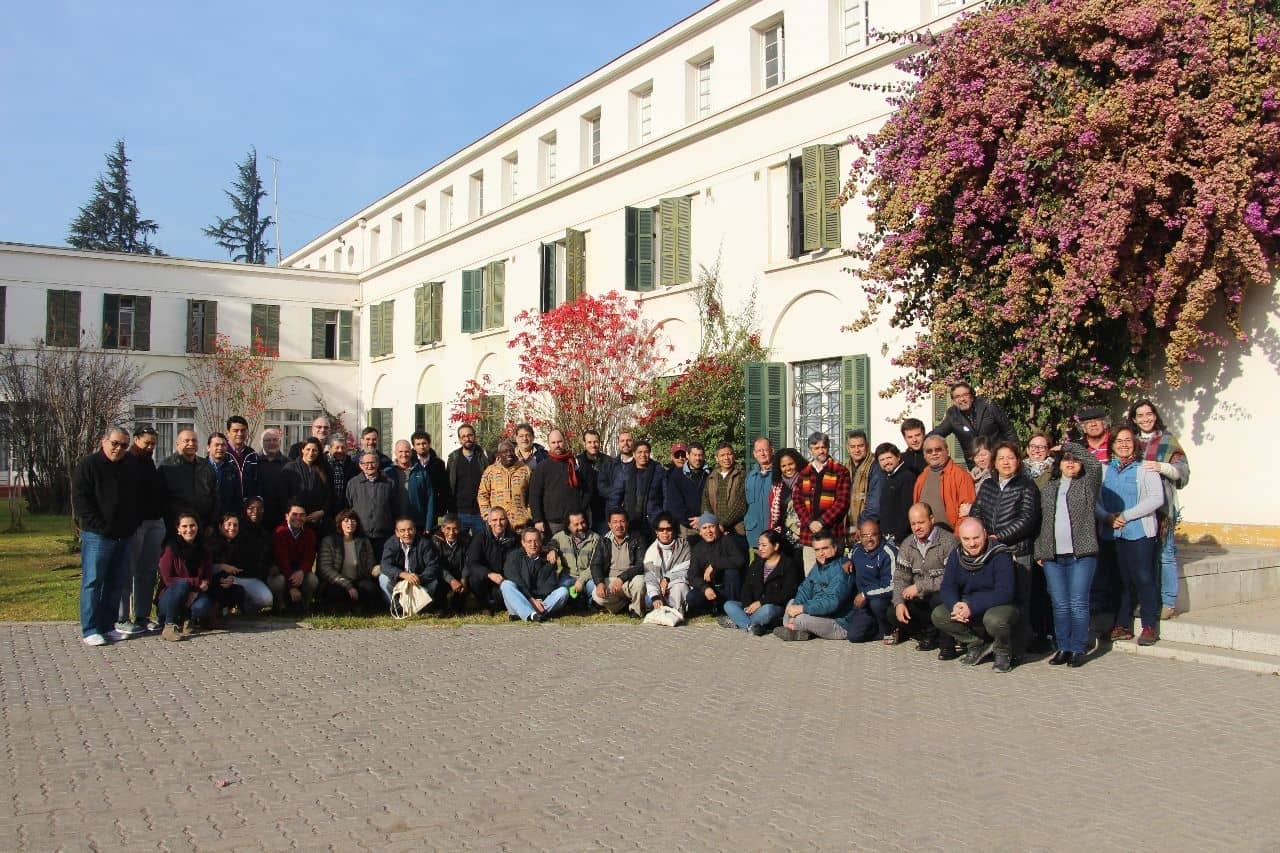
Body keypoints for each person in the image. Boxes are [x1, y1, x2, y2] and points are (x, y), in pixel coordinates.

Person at [1034, 442, 1103, 667]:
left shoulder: (1087, 484)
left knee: (1078, 603)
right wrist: (1040, 550)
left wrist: (1067, 445)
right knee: (1060, 604)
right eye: (1066, 459)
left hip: (1081, 555)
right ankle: (1063, 646)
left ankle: (1078, 648)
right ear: (1059, 464)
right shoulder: (1050, 487)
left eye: (1074, 459)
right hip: (1053, 556)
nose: (1070, 462)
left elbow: (1094, 463)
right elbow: (1042, 521)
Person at [971, 439, 1044, 651]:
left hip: (1017, 551)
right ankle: (995, 644)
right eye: (1001, 458)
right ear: (994, 462)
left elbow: (1028, 519)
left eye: (1010, 458)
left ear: (1018, 461)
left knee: (1019, 601)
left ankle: (1018, 647)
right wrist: (981, 535)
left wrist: (998, 537)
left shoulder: (1027, 486)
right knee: (993, 600)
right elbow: (977, 512)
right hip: (990, 553)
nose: (1006, 462)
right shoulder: (987, 485)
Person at [73, 427, 141, 646]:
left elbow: (137, 498)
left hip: (124, 535)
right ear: (104, 441)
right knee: (93, 582)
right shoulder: (88, 466)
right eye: (115, 443)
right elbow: (82, 501)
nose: (118, 449)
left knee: (116, 582)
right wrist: (100, 527)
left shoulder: (130, 466)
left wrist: (132, 524)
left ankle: (108, 626)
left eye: (123, 445)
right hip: (97, 536)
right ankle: (90, 629)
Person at [1098, 426, 1165, 646]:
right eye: (1119, 441)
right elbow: (1094, 501)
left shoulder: (1145, 469)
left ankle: (1148, 625)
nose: (1123, 444)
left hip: (1139, 533)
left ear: (1135, 444)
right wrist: (1107, 517)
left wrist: (1126, 516)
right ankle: (1122, 624)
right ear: (1112, 445)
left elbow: (1156, 499)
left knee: (1143, 578)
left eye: (1128, 440)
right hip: (1112, 533)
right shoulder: (1103, 470)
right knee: (1120, 581)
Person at [931, 517, 1020, 672]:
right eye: (966, 539)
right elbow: (947, 586)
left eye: (976, 538)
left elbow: (1005, 592)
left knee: (994, 620)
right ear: (960, 538)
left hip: (1000, 605)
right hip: (967, 604)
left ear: (985, 534)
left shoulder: (1000, 554)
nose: (972, 544)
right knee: (939, 614)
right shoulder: (956, 555)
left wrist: (971, 606)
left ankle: (1003, 652)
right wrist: (956, 605)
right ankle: (976, 644)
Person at [1129, 399, 1190, 620]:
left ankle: (1169, 602)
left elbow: (1183, 471)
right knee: (1143, 558)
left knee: (1166, 555)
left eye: (1149, 414)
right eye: (1140, 415)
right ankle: (1147, 601)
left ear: (1155, 416)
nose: (1145, 419)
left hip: (1162, 509)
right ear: (1134, 419)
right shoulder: (1130, 441)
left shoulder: (1167, 440)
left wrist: (1162, 467)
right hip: (1137, 509)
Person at [891, 503, 960, 655]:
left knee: (939, 599)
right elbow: (900, 578)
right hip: (920, 597)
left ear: (931, 519)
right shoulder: (907, 544)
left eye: (921, 522)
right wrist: (899, 603)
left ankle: (948, 642)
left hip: (943, 593)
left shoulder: (948, 541)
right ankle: (927, 635)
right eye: (913, 524)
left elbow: (952, 577)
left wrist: (920, 586)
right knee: (893, 612)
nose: (917, 527)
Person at [117, 426, 165, 637]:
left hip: (155, 521)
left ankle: (142, 615)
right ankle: (121, 617)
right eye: (147, 443)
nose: (151, 447)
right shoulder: (126, 462)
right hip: (135, 524)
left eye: (153, 443)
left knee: (147, 572)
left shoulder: (149, 462)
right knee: (127, 571)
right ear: (136, 439)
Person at [772, 532, 856, 641]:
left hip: (838, 622)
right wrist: (795, 610)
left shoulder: (842, 570)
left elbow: (832, 602)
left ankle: (794, 628)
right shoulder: (818, 567)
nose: (821, 553)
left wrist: (803, 609)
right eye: (817, 550)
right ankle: (799, 631)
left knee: (800, 618)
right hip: (819, 615)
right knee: (791, 603)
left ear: (835, 548)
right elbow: (804, 590)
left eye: (825, 548)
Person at [721, 529, 802, 635]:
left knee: (767, 610)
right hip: (753, 608)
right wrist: (747, 605)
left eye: (764, 545)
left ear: (776, 546)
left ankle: (740, 622)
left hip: (773, 607)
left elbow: (786, 594)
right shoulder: (756, 563)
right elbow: (746, 587)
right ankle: (752, 627)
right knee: (729, 605)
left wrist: (761, 603)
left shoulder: (788, 565)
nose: (760, 548)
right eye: (759, 545)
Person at [792, 432, 851, 572]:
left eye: (824, 447)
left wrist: (822, 522)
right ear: (810, 450)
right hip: (809, 535)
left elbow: (842, 502)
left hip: (832, 533)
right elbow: (797, 501)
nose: (821, 451)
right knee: (811, 575)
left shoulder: (840, 471)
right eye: (816, 447)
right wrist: (810, 522)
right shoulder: (804, 473)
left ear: (828, 447)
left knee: (833, 575)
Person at [155, 512, 215, 642]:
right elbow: (168, 579)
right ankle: (169, 625)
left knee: (204, 604)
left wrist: (199, 588)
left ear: (198, 527)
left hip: (194, 594)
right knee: (181, 584)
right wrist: (195, 583)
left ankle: (187, 621)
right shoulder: (170, 549)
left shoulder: (204, 550)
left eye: (192, 525)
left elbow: (208, 576)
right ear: (178, 529)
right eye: (184, 526)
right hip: (170, 597)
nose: (189, 530)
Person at [931, 382, 1019, 468]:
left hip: (998, 459)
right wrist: (919, 441)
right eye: (957, 397)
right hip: (976, 465)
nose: (962, 399)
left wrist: (1015, 454)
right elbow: (938, 433)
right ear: (953, 401)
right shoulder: (952, 415)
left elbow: (1008, 430)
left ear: (972, 397)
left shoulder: (988, 406)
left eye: (965, 395)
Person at [315, 509, 381, 612]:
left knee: (370, 589)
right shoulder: (329, 541)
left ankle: (360, 608)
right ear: (339, 523)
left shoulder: (364, 541)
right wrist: (347, 586)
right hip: (337, 582)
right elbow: (325, 569)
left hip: (358, 580)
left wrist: (379, 569)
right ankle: (339, 609)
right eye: (346, 520)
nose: (350, 523)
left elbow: (370, 566)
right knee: (335, 592)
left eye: (353, 521)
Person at [844, 520, 898, 644]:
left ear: (880, 535)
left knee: (877, 604)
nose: (869, 539)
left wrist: (865, 594)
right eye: (865, 536)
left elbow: (892, 586)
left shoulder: (888, 553)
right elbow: (849, 555)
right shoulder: (857, 548)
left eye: (873, 535)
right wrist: (847, 561)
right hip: (864, 603)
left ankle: (891, 629)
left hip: (884, 600)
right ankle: (877, 628)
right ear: (860, 536)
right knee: (854, 637)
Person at [210, 512, 274, 615]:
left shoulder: (245, 540)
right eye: (228, 524)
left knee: (266, 599)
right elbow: (206, 568)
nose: (232, 528)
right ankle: (218, 610)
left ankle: (243, 608)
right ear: (220, 526)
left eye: (235, 525)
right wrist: (222, 567)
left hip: (245, 577)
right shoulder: (211, 544)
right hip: (219, 579)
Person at [500, 528, 570, 622]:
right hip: (521, 598)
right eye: (529, 541)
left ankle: (528, 614)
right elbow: (515, 580)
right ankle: (531, 614)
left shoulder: (548, 558)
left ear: (541, 542)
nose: (533, 545)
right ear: (523, 543)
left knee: (563, 592)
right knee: (506, 585)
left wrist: (538, 599)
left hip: (541, 602)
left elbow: (550, 584)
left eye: (536, 541)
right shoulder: (514, 557)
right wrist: (531, 600)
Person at [589, 509, 647, 616]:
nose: (619, 525)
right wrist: (599, 583)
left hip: (630, 579)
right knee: (596, 595)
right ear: (609, 525)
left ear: (627, 523)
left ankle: (636, 611)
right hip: (611, 580)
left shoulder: (637, 538)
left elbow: (641, 565)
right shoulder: (604, 540)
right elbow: (595, 564)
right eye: (615, 522)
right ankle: (622, 607)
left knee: (640, 581)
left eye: (622, 521)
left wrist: (622, 578)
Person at [378, 517, 446, 610]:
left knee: (433, 582)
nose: (407, 534)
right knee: (383, 579)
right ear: (397, 532)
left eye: (410, 529)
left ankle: (419, 607)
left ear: (415, 530)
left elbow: (433, 566)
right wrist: (402, 574)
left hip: (419, 580)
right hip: (399, 579)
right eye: (402, 530)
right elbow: (385, 565)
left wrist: (419, 578)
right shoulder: (391, 543)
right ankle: (397, 608)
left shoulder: (424, 543)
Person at [912, 434, 975, 533]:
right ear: (924, 455)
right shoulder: (921, 478)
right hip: (925, 538)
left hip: (950, 536)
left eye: (938, 449)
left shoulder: (961, 476)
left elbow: (966, 513)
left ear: (947, 451)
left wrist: (956, 538)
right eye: (929, 451)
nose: (934, 453)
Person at [687, 512, 747, 615]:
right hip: (710, 588)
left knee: (732, 572)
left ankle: (734, 608)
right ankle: (714, 609)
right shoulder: (697, 548)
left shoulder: (727, 541)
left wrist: (714, 564)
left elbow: (740, 560)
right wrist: (705, 588)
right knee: (692, 597)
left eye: (711, 527)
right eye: (704, 528)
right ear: (700, 532)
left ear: (717, 528)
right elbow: (692, 575)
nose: (708, 531)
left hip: (728, 587)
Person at [529, 429, 587, 536]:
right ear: (549, 444)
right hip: (552, 523)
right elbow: (534, 495)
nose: (557, 445)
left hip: (574, 521)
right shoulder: (542, 467)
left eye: (559, 442)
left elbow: (583, 489)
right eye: (553, 443)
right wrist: (538, 520)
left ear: (564, 441)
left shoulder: (573, 463)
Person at [159, 427, 216, 534]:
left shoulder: (206, 466)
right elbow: (161, 499)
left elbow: (214, 496)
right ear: (177, 444)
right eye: (186, 441)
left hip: (202, 526)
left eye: (194, 440)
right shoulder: (166, 467)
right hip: (177, 527)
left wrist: (211, 523)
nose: (191, 444)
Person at [465, 507, 521, 613]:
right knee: (473, 578)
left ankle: (497, 603)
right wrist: (489, 574)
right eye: (494, 520)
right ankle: (483, 605)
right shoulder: (480, 537)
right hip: (485, 578)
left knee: (501, 600)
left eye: (502, 519)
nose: (498, 523)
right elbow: (472, 563)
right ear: (489, 522)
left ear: (506, 520)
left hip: (504, 579)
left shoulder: (515, 539)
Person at [609, 439, 664, 544]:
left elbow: (666, 497)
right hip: (631, 521)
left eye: (646, 452)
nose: (643, 455)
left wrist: (663, 519)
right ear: (633, 454)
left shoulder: (658, 471)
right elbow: (615, 498)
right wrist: (616, 520)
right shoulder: (625, 472)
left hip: (654, 521)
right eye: (639, 452)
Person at [269, 502, 320, 612]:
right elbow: (282, 561)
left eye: (302, 515)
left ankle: (304, 606)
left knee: (312, 580)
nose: (298, 518)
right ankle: (279, 606)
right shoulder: (280, 532)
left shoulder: (309, 534)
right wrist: (291, 587)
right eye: (294, 514)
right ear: (287, 516)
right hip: (282, 572)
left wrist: (302, 572)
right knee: (279, 581)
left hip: (299, 573)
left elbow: (309, 558)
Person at [346, 451, 396, 556]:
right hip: (361, 535)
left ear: (378, 464)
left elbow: (394, 507)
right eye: (366, 463)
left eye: (373, 462)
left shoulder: (388, 483)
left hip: (384, 536)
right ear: (360, 465)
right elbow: (349, 507)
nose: (370, 466)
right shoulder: (353, 483)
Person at [643, 511, 691, 617]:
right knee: (649, 600)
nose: (665, 532)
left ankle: (677, 612)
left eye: (668, 529)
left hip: (678, 586)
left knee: (681, 586)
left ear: (673, 530)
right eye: (661, 529)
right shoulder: (651, 552)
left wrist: (668, 578)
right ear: (656, 532)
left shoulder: (684, 546)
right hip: (659, 590)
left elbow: (686, 568)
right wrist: (655, 597)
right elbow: (650, 579)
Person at [549, 510, 602, 604]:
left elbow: (596, 564)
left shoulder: (595, 538)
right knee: (562, 590)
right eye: (576, 524)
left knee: (594, 587)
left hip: (589, 576)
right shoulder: (560, 537)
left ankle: (591, 605)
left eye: (583, 523)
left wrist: (581, 580)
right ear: (568, 526)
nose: (581, 527)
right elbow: (551, 543)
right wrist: (552, 550)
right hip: (568, 575)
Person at [446, 424, 491, 536]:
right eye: (463, 436)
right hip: (459, 512)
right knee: (460, 546)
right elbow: (448, 485)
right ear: (460, 440)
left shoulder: (485, 457)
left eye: (470, 435)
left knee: (481, 546)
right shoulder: (453, 458)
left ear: (474, 436)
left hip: (481, 511)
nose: (467, 438)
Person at [478, 440, 533, 530]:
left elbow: (532, 495)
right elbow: (482, 495)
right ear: (498, 454)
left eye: (511, 451)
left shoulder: (525, 470)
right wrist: (488, 516)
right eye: (505, 451)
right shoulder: (490, 471)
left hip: (520, 525)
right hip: (497, 526)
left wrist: (528, 515)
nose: (509, 454)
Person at [702, 442, 747, 542]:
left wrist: (723, 524)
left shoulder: (742, 475)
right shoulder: (711, 477)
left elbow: (741, 503)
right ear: (716, 458)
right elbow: (705, 502)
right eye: (722, 455)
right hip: (715, 531)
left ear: (733, 456)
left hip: (736, 530)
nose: (726, 458)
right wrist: (712, 525)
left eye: (729, 454)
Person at [282, 438, 329, 530]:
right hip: (296, 520)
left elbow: (329, 494)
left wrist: (322, 512)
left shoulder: (323, 469)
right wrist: (295, 514)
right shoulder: (290, 468)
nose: (311, 453)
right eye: (308, 449)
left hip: (317, 521)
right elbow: (283, 495)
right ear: (302, 450)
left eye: (314, 450)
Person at [663, 441, 708, 536]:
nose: (697, 458)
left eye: (700, 455)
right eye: (695, 455)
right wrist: (692, 522)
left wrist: (705, 519)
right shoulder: (676, 476)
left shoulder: (710, 474)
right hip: (687, 527)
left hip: (708, 525)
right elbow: (674, 505)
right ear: (688, 455)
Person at [594, 429, 634, 533]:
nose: (625, 443)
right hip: (613, 514)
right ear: (618, 443)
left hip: (634, 514)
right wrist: (618, 496)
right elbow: (601, 486)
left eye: (629, 440)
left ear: (633, 442)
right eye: (622, 441)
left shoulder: (640, 464)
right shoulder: (609, 465)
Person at [767, 448, 806, 552]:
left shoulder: (807, 482)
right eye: (783, 466)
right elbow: (773, 517)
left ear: (797, 463)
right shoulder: (777, 487)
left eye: (791, 464)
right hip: (785, 537)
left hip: (805, 536)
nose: (788, 468)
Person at [410, 430, 451, 531]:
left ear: (429, 444)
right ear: (414, 447)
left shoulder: (439, 464)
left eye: (424, 443)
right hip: (414, 510)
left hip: (435, 510)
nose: (421, 446)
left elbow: (444, 489)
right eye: (418, 444)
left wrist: (441, 511)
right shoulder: (410, 463)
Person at [875, 443, 914, 545]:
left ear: (898, 457)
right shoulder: (887, 477)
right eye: (882, 460)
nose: (886, 462)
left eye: (889, 458)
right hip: (886, 536)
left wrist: (898, 536)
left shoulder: (907, 477)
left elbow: (907, 509)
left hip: (899, 539)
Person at [431, 514, 470, 612]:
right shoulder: (435, 541)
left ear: (460, 528)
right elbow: (437, 564)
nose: (451, 533)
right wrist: (451, 580)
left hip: (460, 575)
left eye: (455, 529)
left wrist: (464, 579)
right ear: (442, 528)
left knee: (458, 607)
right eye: (448, 529)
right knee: (436, 583)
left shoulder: (466, 540)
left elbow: (468, 561)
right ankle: (439, 605)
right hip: (443, 576)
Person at [845, 429, 884, 529]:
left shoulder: (875, 467)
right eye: (852, 447)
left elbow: (875, 504)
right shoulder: (845, 468)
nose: (857, 450)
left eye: (860, 446)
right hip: (848, 528)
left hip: (868, 528)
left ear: (867, 445)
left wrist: (862, 526)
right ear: (847, 448)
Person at [257, 428, 290, 533]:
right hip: (258, 517)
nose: (271, 443)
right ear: (261, 443)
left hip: (281, 518)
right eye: (268, 440)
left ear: (279, 442)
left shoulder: (289, 464)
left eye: (275, 440)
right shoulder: (253, 462)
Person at [576, 429, 608, 532]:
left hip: (603, 513)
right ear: (584, 443)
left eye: (595, 442)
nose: (593, 445)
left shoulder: (609, 462)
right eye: (589, 442)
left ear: (599, 443)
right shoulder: (577, 462)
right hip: (583, 514)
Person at [224, 415, 261, 506]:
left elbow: (258, 481)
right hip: (226, 506)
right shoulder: (222, 454)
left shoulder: (252, 454)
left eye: (243, 430)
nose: (240, 434)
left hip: (248, 507)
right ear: (228, 433)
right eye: (235, 431)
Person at [744, 437, 774, 547]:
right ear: (754, 454)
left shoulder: (779, 475)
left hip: (774, 533)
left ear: (772, 451)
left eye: (765, 450)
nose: (762, 453)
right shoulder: (750, 477)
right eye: (759, 451)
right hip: (755, 534)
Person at [207, 432, 244, 520]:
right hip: (205, 521)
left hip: (226, 521)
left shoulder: (233, 470)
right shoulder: (200, 468)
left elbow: (237, 498)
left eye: (223, 445)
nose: (220, 448)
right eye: (217, 445)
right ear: (208, 447)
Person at [323, 433, 359, 521]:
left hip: (345, 511)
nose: (340, 450)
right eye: (337, 447)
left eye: (343, 448)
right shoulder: (322, 464)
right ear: (330, 449)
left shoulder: (353, 466)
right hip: (325, 510)